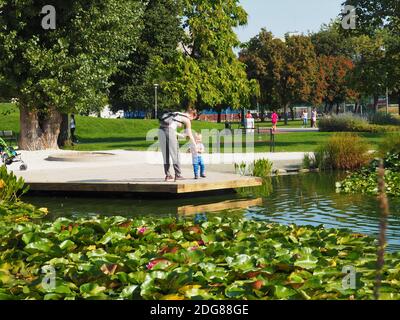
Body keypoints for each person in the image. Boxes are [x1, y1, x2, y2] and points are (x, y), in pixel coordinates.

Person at [158, 108, 197, 182]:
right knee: (176, 154)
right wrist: (194, 144)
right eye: (193, 119)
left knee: (165, 154)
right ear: (192, 115)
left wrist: (179, 134)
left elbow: (171, 127)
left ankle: (168, 175)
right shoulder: (187, 119)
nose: (191, 121)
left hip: (160, 130)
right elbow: (189, 134)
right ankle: (178, 175)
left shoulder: (176, 113)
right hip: (169, 131)